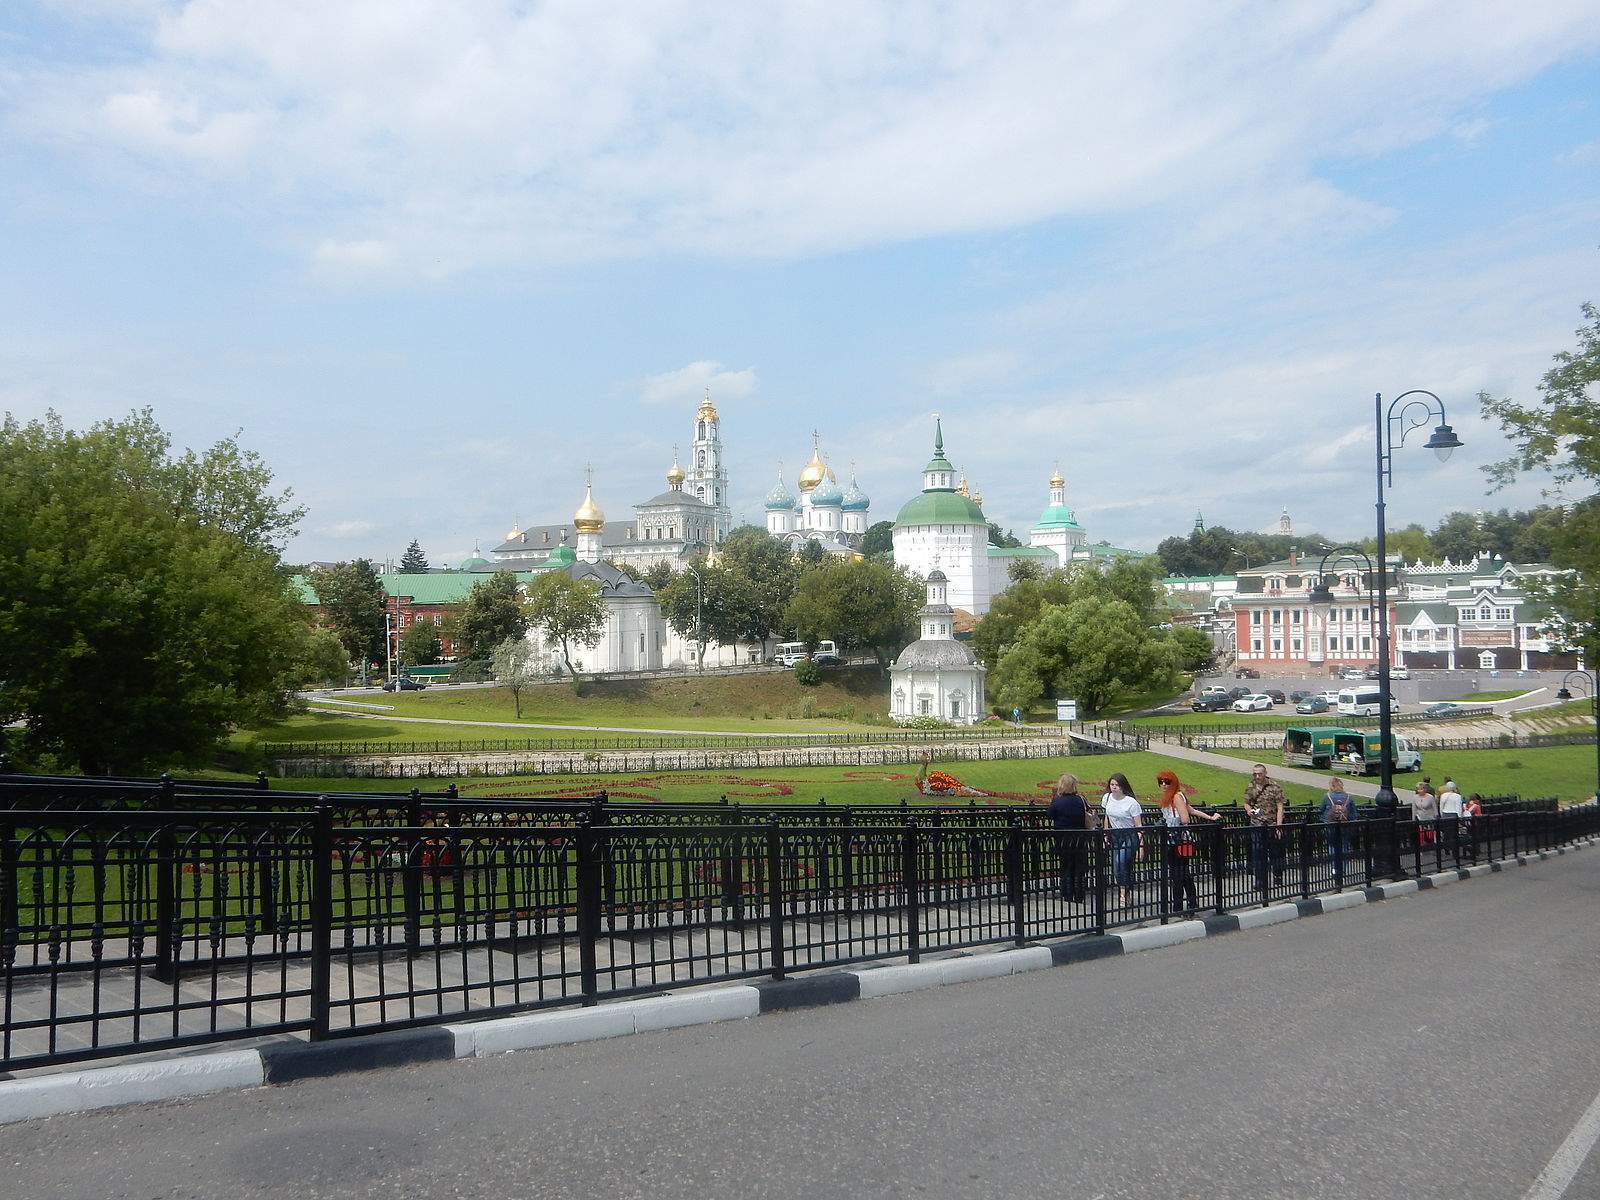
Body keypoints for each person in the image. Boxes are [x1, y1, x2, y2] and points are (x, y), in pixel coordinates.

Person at [1155, 769, 1222, 914]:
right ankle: (1189, 903)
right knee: (1181, 872)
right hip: (1176, 838)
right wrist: (1209, 817)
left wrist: (1169, 822)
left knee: (1180, 872)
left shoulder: (1177, 796)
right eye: (1161, 782)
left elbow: (1185, 818)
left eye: (1167, 782)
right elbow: (1192, 810)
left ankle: (1180, 905)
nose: (1163, 784)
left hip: (1180, 839)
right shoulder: (1171, 796)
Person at [1047, 772, 1096, 903]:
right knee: (1079, 866)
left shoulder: (1057, 800)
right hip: (1079, 837)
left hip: (1063, 837)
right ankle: (1079, 893)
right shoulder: (1080, 799)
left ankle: (1067, 894)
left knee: (1066, 866)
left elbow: (1050, 815)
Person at [1100, 772, 1144, 908]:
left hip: (1129, 835)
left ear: (1123, 786)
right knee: (1117, 867)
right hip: (1115, 835)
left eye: (1117, 785)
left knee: (1121, 861)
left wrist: (1141, 847)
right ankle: (1126, 890)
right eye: (1112, 785)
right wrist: (1105, 835)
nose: (1114, 788)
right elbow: (1107, 817)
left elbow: (1138, 826)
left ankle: (1123, 894)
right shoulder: (1107, 798)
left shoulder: (1131, 803)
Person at [1242, 763, 1287, 892]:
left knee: (1275, 852)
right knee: (1258, 852)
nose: (1257, 776)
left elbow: (1280, 807)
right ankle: (1260, 880)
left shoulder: (1274, 787)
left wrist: (1279, 826)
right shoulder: (1251, 786)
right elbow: (1246, 802)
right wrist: (1249, 810)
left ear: (1265, 773)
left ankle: (1277, 874)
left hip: (1271, 824)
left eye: (1259, 773)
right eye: (1255, 773)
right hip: (1257, 823)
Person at [1320, 777, 1357, 888]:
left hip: (1331, 825)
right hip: (1345, 826)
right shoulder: (1349, 797)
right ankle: (1342, 870)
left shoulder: (1327, 797)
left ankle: (1334, 869)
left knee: (1332, 846)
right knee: (1344, 847)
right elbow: (1354, 814)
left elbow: (1321, 810)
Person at [1438, 779, 1463, 859]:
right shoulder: (1457, 796)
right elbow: (1458, 808)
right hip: (1453, 815)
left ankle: (1446, 848)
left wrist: (1442, 815)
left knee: (1446, 833)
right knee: (1454, 834)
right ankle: (1454, 851)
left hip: (1445, 814)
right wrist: (1460, 818)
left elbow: (1441, 807)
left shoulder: (1443, 795)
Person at [1411, 781, 1439, 852]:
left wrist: (1436, 817)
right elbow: (1414, 809)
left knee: (1430, 834)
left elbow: (1434, 808)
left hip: (1430, 818)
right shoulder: (1415, 797)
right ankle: (1421, 848)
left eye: (1421, 789)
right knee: (1421, 834)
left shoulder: (1430, 797)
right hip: (1420, 818)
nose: (1420, 791)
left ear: (1424, 789)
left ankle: (1433, 846)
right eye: (1418, 789)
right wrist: (1413, 819)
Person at [1462, 791, 1484, 863]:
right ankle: (1475, 852)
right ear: (1476, 800)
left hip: (1465, 824)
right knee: (1475, 838)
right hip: (1474, 824)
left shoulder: (1464, 805)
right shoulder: (1476, 806)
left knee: (1467, 837)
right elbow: (1479, 815)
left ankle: (1467, 851)